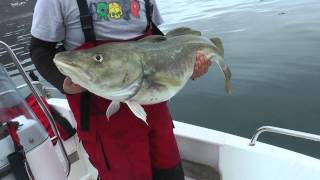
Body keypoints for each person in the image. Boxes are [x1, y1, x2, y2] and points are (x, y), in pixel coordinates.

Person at [29, 0, 212, 179]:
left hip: (154, 107)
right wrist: (62, 82)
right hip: (102, 116)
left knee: (169, 171)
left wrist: (188, 69)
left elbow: (158, 42)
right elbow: (39, 49)